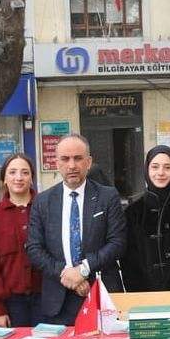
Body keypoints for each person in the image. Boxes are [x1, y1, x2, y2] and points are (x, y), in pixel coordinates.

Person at [26, 134, 126, 325]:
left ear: (89, 162)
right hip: (59, 299)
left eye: (78, 158)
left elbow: (117, 243)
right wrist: (67, 273)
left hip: (101, 295)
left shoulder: (108, 196)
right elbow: (34, 248)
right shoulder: (43, 201)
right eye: (65, 159)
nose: (72, 165)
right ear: (57, 163)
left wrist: (83, 269)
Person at [121, 145, 170, 302]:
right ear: (147, 170)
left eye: (167, 167)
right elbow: (128, 260)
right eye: (154, 167)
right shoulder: (133, 212)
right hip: (143, 297)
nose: (160, 173)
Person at [0, 153, 42, 327]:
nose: (19, 178)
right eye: (12, 172)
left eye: (25, 172)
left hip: (47, 299)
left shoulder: (45, 208)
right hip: (12, 302)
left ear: (31, 178)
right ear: (4, 179)